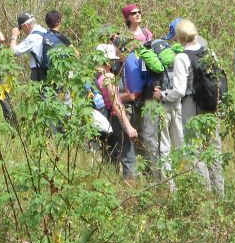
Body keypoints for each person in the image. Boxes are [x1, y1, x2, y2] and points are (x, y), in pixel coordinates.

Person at [157, 19, 224, 196]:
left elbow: (178, 90)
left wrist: (163, 95)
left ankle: (204, 196)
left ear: (178, 38)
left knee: (195, 150)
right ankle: (220, 195)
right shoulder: (209, 53)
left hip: (191, 106)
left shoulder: (181, 58)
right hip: (211, 106)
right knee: (214, 150)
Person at [114, 37, 162, 181]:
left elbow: (134, 93)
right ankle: (152, 177)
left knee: (146, 141)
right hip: (154, 99)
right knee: (149, 141)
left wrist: (113, 98)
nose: (115, 54)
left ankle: (154, 179)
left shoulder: (130, 60)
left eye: (116, 50)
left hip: (148, 102)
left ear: (121, 49)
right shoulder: (138, 55)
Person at [92, 43, 138, 165]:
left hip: (103, 119)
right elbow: (115, 102)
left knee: (111, 153)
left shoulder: (94, 76)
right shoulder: (108, 77)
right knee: (128, 155)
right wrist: (128, 126)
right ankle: (131, 181)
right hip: (116, 117)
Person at [9, 12, 49, 81]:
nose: (22, 31)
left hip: (39, 73)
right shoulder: (45, 32)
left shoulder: (31, 38)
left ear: (26, 26)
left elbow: (12, 53)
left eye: (21, 28)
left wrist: (14, 36)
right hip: (50, 71)